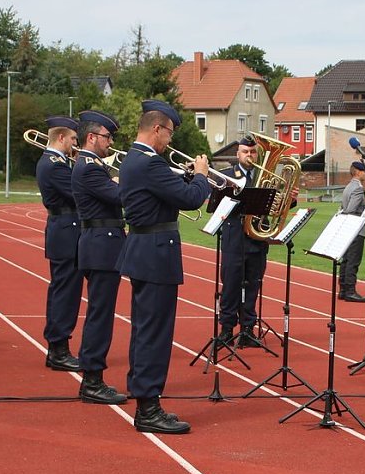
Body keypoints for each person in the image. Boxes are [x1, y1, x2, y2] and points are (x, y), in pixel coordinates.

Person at [116, 99, 210, 434]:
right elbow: (191, 199)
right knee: (154, 333)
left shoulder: (134, 160)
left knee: (144, 329)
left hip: (145, 251)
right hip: (155, 253)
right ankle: (148, 407)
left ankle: (144, 396)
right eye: (168, 133)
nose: (170, 141)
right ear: (156, 128)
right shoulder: (150, 164)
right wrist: (200, 175)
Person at [71, 109, 127, 405]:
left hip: (102, 245)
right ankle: (92, 380)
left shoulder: (90, 165)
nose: (110, 142)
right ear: (91, 137)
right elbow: (119, 197)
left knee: (99, 314)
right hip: (102, 246)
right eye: (107, 136)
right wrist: (129, 177)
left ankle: (92, 376)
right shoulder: (90, 167)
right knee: (100, 316)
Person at [36, 116, 83, 372]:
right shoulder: (54, 165)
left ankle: (58, 347)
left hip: (64, 231)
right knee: (65, 293)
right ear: (61, 138)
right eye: (74, 139)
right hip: (66, 232)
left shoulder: (58, 162)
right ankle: (58, 349)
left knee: (63, 291)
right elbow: (78, 193)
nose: (76, 144)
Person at [218, 136, 269, 348]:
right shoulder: (228, 175)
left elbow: (272, 206)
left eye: (253, 152)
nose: (250, 155)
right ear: (238, 154)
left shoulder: (264, 176)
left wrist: (289, 200)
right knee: (230, 285)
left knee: (252, 285)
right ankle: (227, 329)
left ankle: (248, 328)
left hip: (256, 240)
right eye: (245, 152)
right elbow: (218, 203)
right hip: (235, 238)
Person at [338, 161, 365, 303]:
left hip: (346, 228)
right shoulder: (357, 188)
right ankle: (350, 290)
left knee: (346, 259)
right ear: (358, 172)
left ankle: (343, 289)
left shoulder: (348, 186)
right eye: (364, 171)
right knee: (353, 260)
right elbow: (350, 209)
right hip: (355, 228)